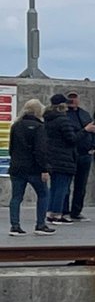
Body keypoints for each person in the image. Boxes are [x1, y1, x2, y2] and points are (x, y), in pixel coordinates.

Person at [8, 98, 53, 235]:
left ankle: (15, 226)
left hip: (17, 167)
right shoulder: (39, 127)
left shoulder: (16, 125)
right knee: (43, 194)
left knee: (16, 197)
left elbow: (11, 148)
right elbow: (41, 150)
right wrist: (45, 169)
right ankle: (40, 225)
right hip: (34, 169)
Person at [43, 94, 81, 223]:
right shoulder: (63, 120)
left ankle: (50, 212)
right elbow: (71, 139)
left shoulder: (47, 119)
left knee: (54, 187)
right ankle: (57, 213)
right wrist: (85, 131)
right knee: (62, 187)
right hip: (64, 158)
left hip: (51, 157)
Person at [66, 92, 95, 221]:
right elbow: (70, 136)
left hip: (85, 154)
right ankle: (64, 211)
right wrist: (85, 130)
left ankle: (76, 211)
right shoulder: (64, 115)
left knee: (81, 185)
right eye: (70, 98)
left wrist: (93, 146)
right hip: (70, 154)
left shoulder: (85, 114)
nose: (73, 100)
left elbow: (93, 130)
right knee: (65, 185)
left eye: (75, 98)